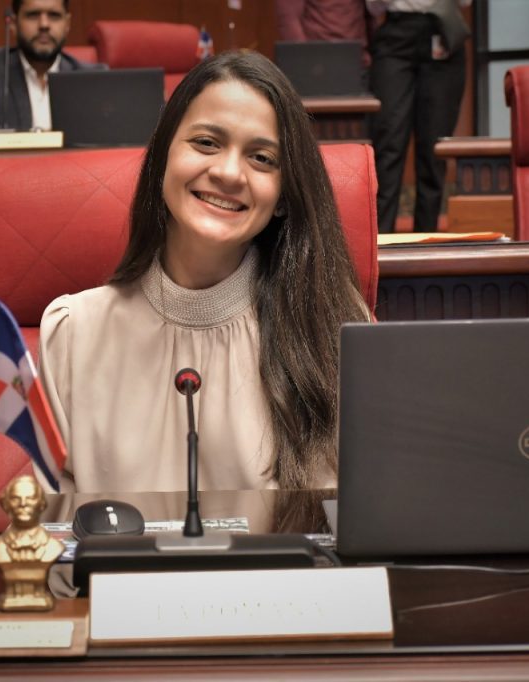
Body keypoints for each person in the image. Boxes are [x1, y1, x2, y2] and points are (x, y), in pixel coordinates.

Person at [38, 50, 370, 494]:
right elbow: (50, 539)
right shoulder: (73, 333)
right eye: (207, 143)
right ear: (162, 159)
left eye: (262, 158)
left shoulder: (334, 327)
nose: (229, 173)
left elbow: (360, 521)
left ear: (285, 196)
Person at [366, 0, 471, 233]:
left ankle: (427, 244)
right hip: (395, 34)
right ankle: (379, 244)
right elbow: (373, 7)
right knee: (388, 143)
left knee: (434, 149)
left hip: (442, 30)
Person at [0, 0, 102, 149]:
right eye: (33, 15)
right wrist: (37, 137)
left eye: (54, 16)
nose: (44, 24)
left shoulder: (95, 80)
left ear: (67, 23)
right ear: (13, 22)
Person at [0, 475, 63, 611]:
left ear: (42, 504)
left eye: (31, 498)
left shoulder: (54, 547)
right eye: (16, 498)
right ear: (7, 504)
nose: (23, 504)